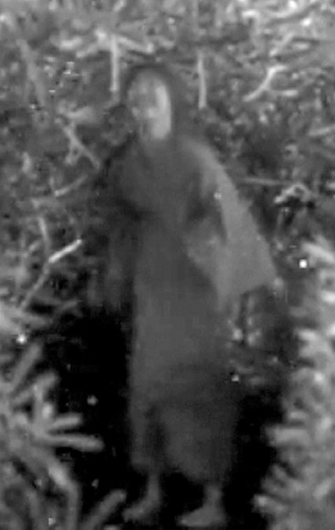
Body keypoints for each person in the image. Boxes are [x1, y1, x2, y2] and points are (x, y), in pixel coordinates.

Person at [101, 63, 277, 528]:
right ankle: (154, 489)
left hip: (196, 288)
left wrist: (227, 281)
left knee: (202, 388)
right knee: (148, 386)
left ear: (171, 100)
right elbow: (120, 227)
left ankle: (213, 499)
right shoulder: (126, 164)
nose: (141, 102)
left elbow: (229, 223)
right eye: (134, 94)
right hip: (153, 283)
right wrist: (115, 278)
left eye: (151, 93)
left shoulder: (196, 159)